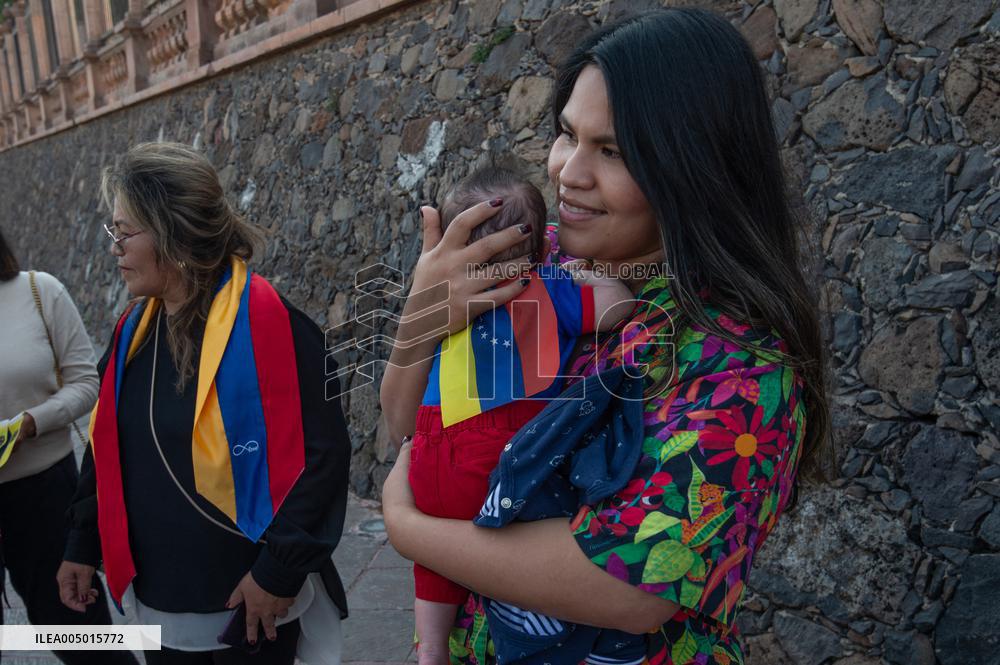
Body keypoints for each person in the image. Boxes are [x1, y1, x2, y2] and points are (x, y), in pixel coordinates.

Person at [379, 8, 832, 664]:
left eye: (612, 151)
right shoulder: (533, 261)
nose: (568, 172)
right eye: (567, 134)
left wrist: (411, 530)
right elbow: (405, 423)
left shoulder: (740, 361)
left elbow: (632, 580)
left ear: (692, 165)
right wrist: (423, 311)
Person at [56, 142, 352, 665]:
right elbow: (106, 444)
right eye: (114, 233)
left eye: (125, 233)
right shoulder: (132, 331)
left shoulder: (266, 324)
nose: (114, 247)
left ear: (172, 232)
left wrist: (278, 571)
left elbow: (321, 457)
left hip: (249, 605)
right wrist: (82, 543)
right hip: (162, 602)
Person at [381, 165, 634, 664]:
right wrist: (600, 282)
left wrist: (405, 522)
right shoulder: (549, 282)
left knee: (436, 557)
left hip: (432, 443)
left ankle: (431, 646)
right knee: (502, 537)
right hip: (503, 444)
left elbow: (400, 426)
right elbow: (614, 308)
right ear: (540, 249)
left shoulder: (453, 292)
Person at [0, 229, 137, 665]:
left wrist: (31, 423)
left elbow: (85, 383)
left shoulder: (39, 292)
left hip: (44, 493)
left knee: (79, 634)